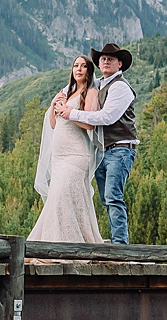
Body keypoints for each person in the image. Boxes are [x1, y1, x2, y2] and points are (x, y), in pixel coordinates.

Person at [56, 42, 136, 244]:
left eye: (111, 59)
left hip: (121, 149)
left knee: (112, 197)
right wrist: (61, 97)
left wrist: (71, 113)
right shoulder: (101, 83)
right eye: (103, 59)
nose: (106, 62)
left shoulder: (120, 87)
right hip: (104, 151)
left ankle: (120, 245)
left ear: (120, 64)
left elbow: (107, 117)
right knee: (106, 199)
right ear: (99, 64)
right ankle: (114, 241)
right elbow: (77, 85)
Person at [28, 55, 104, 243]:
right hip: (59, 156)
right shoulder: (67, 93)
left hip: (76, 154)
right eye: (75, 66)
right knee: (57, 198)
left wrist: (67, 113)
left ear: (89, 71)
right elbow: (54, 124)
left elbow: (90, 124)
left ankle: (70, 244)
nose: (78, 69)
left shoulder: (91, 93)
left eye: (83, 66)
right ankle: (53, 241)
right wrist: (56, 106)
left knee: (64, 195)